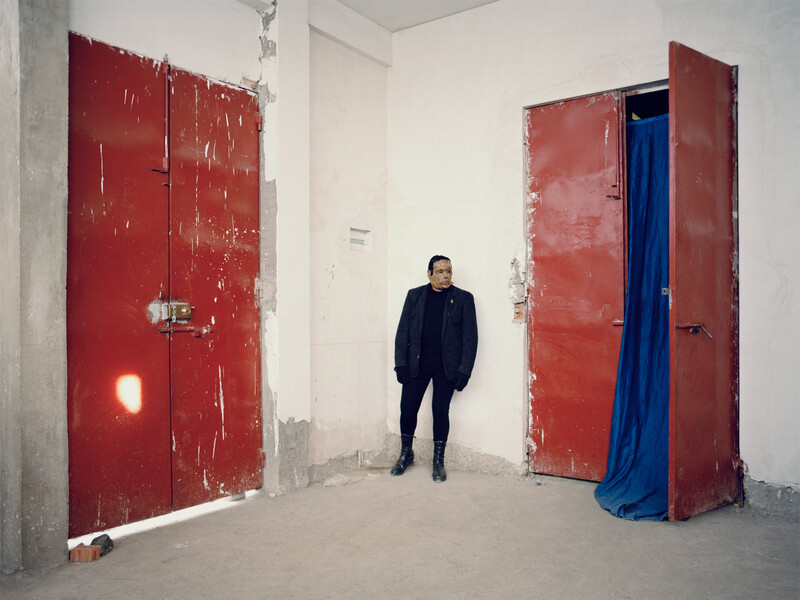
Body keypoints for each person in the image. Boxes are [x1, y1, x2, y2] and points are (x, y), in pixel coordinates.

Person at [392, 255, 478, 482]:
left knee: (440, 411)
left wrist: (465, 371)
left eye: (448, 271)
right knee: (407, 408)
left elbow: (470, 338)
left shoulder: (464, 299)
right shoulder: (415, 296)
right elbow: (402, 331)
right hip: (417, 364)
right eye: (440, 271)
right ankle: (406, 454)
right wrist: (400, 364)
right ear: (429, 274)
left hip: (446, 367)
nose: (445, 276)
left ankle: (438, 462)